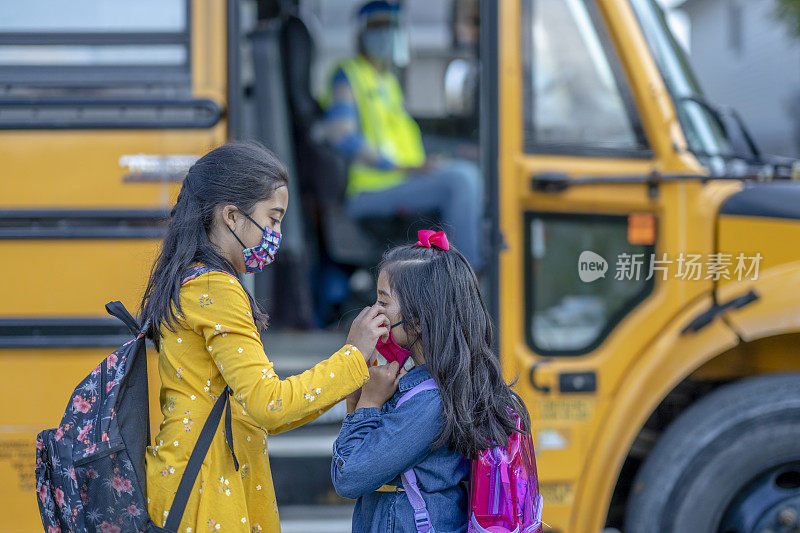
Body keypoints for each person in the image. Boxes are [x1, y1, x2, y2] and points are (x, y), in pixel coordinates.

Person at [138, 142, 390, 532]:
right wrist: (353, 356)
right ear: (232, 216)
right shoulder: (216, 288)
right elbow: (268, 405)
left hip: (193, 478)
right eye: (272, 220)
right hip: (206, 493)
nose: (276, 234)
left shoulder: (191, 278)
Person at [330, 230, 531, 532]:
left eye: (383, 303)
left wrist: (370, 402)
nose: (373, 314)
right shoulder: (433, 387)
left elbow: (349, 476)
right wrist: (359, 396)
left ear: (420, 319)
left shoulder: (430, 403)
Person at [322, 1, 484, 271]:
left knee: (474, 169)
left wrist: (429, 161)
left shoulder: (387, 81)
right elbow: (342, 136)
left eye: (392, 26)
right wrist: (400, 167)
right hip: (370, 188)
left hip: (404, 177)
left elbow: (401, 140)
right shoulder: (347, 75)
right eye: (378, 26)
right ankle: (468, 276)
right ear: (361, 33)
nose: (386, 33)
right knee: (462, 180)